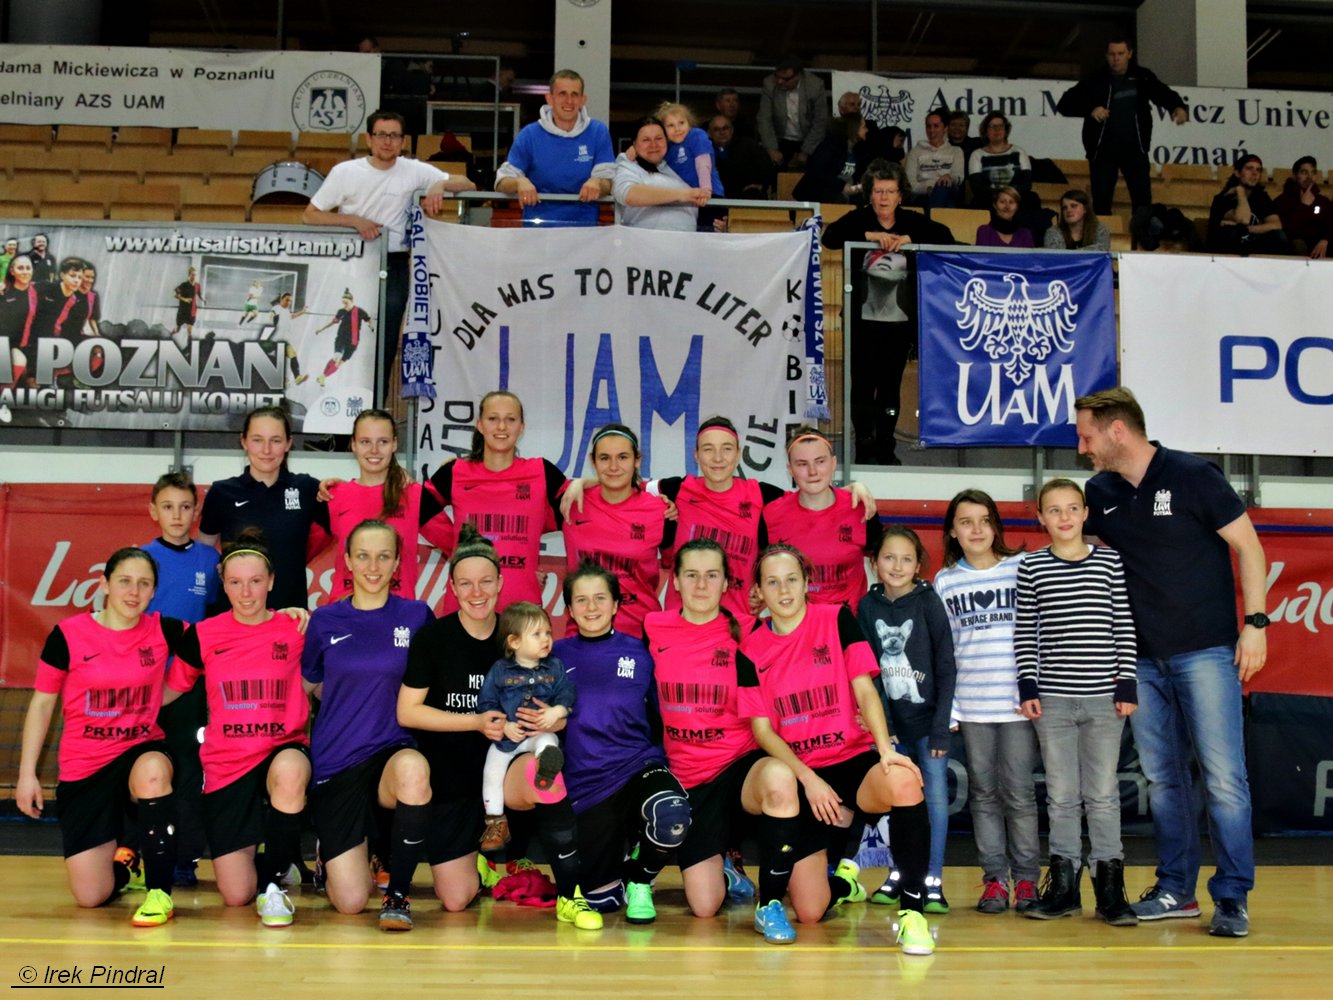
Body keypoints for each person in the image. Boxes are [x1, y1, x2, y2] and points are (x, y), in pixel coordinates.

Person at [1075, 386, 1268, 939]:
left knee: (1225, 778)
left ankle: (1232, 897)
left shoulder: (1192, 475)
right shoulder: (1100, 491)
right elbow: (1083, 555)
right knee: (1163, 780)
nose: (1083, 448)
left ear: (1117, 430)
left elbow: (1250, 548)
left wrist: (1256, 625)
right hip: (1140, 661)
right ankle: (1176, 890)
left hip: (1206, 651)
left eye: (1087, 436)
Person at [399, 524, 599, 928]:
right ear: (452, 588)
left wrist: (554, 715)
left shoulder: (520, 637)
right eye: (466, 583)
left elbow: (557, 696)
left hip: (510, 772)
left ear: (500, 583)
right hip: (453, 786)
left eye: (486, 582)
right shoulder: (433, 639)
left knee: (546, 772)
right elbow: (408, 713)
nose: (477, 592)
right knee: (456, 899)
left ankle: (570, 895)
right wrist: (475, 722)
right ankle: (484, 861)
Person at [739, 544, 935, 955]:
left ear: (806, 582)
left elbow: (865, 690)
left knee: (903, 780)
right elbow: (762, 732)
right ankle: (830, 888)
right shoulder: (750, 648)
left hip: (850, 760)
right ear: (759, 590)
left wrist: (885, 749)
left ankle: (913, 913)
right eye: (772, 582)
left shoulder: (836, 618)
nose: (784, 590)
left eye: (792, 579)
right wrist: (808, 779)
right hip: (799, 771)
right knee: (811, 911)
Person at [646, 539, 828, 930]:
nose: (701, 585)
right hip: (692, 782)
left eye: (712, 575)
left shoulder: (749, 630)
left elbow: (803, 674)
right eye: (691, 575)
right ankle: (727, 866)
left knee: (812, 908)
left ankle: (772, 903)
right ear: (675, 581)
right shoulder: (654, 627)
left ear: (727, 582)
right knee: (704, 906)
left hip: (743, 769)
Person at [14, 547, 183, 927]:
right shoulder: (68, 635)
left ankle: (160, 892)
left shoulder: (163, 630)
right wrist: (27, 775)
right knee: (91, 896)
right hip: (86, 766)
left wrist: (285, 615)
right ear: (105, 584)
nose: (133, 592)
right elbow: (42, 705)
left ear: (154, 591)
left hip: (139, 750)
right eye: (124, 581)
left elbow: (223, 637)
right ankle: (128, 865)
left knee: (153, 773)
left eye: (144, 584)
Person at [163, 533, 311, 925]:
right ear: (223, 584)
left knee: (290, 772)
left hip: (281, 750)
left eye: (256, 581)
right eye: (235, 582)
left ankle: (273, 886)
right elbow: (171, 690)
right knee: (235, 894)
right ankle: (272, 859)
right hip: (227, 763)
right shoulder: (203, 635)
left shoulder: (296, 629)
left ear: (271, 581)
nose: (246, 593)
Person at [301, 519, 434, 930]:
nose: (373, 567)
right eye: (363, 556)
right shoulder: (325, 620)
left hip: (392, 751)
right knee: (351, 902)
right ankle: (334, 853)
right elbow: (310, 684)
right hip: (338, 760)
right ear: (347, 561)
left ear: (397, 563)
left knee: (414, 771)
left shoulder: (417, 616)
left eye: (383, 557)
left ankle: (398, 894)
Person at [1015, 478, 1137, 926]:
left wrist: (1127, 682)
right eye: (1054, 510)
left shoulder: (1109, 561)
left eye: (1072, 508)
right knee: (1062, 796)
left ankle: (1110, 890)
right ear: (1040, 518)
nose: (1064, 517)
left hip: (1104, 699)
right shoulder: (1032, 567)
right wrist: (1028, 686)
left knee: (1102, 795)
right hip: (1054, 700)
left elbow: (1123, 622)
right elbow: (1025, 631)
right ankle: (1064, 888)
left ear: (1085, 514)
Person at [303, 109, 476, 397]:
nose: (387, 141)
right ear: (369, 139)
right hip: (351, 263)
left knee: (384, 338)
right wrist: (354, 221)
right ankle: (334, 408)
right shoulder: (346, 172)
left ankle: (375, 407)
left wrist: (441, 184)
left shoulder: (413, 170)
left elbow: (468, 183)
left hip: (392, 263)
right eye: (382, 135)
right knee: (344, 340)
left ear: (403, 141)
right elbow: (310, 215)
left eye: (394, 136)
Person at [557, 563, 691, 923]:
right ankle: (618, 865)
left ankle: (640, 878)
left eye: (600, 598)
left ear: (616, 604)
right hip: (585, 784)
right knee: (601, 901)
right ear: (569, 609)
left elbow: (664, 715)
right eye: (581, 600)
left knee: (671, 812)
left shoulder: (641, 653)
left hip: (635, 767)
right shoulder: (554, 655)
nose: (591, 607)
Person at [933, 489, 1040, 915]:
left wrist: (1031, 689)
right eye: (966, 522)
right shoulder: (946, 580)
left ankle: (1027, 879)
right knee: (983, 794)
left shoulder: (1021, 567)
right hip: (973, 706)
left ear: (996, 525)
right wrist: (952, 707)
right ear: (952, 532)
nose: (976, 529)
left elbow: (1038, 633)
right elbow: (945, 651)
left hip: (1016, 705)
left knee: (1019, 792)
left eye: (984, 520)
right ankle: (995, 878)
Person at [822, 159, 954, 464]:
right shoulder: (858, 219)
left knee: (889, 389)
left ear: (900, 195)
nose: (883, 198)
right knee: (862, 388)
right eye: (878, 191)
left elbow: (946, 237)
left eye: (890, 191)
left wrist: (911, 240)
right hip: (860, 322)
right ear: (869, 194)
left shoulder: (911, 221)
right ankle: (864, 448)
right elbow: (830, 238)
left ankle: (885, 447)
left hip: (899, 324)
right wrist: (869, 236)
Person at [857, 525, 956, 914]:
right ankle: (899, 873)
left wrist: (941, 727)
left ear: (918, 565)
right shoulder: (867, 607)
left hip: (929, 726)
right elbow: (867, 673)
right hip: (892, 731)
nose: (897, 566)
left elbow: (946, 667)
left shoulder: (929, 602)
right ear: (875, 562)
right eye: (889, 557)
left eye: (906, 559)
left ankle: (932, 880)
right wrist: (884, 728)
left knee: (934, 802)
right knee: (897, 802)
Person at [421, 390, 569, 611]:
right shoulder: (456, 471)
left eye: (510, 419)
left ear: (521, 427)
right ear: (480, 425)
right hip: (466, 607)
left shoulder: (541, 472)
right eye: (493, 419)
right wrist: (460, 547)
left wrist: (585, 483)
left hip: (521, 610)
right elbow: (419, 507)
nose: (501, 427)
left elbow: (577, 513)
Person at [143, 471, 219, 886]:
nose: (177, 515)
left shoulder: (210, 560)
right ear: (153, 511)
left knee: (190, 769)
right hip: (147, 684)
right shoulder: (140, 559)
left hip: (191, 687)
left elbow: (217, 619)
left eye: (185, 507)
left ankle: (185, 859)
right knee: (144, 767)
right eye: (168, 506)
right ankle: (136, 854)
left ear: (195, 512)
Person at [199, 405, 330, 611]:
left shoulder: (307, 489)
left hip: (289, 616)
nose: (266, 450)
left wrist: (343, 489)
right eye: (257, 440)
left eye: (275, 440)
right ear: (244, 441)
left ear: (288, 443)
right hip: (234, 615)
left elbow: (351, 529)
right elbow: (202, 554)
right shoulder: (222, 492)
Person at [322, 408, 454, 601]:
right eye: (365, 442)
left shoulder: (414, 496)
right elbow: (297, 550)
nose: (374, 450)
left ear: (394, 444)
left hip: (398, 614)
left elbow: (458, 547)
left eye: (383, 442)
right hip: (344, 612)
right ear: (353, 445)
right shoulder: (332, 496)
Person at [477, 602, 575, 851]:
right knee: (492, 769)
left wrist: (556, 712)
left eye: (548, 633)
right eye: (537, 634)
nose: (546, 639)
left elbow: (567, 693)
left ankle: (546, 769)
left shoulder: (555, 666)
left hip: (538, 733)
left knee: (548, 742)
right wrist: (504, 725)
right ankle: (496, 821)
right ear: (514, 641)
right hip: (508, 738)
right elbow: (486, 702)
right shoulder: (500, 670)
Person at [562, 424, 673, 637]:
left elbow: (680, 567)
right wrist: (580, 483)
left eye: (623, 457)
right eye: (604, 458)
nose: (614, 466)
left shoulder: (662, 511)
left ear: (637, 460)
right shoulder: (570, 501)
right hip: (581, 635)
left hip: (640, 635)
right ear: (593, 461)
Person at [1056, 37, 1187, 216]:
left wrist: (1177, 106)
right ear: (1106, 56)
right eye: (1112, 54)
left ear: (1130, 54)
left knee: (1142, 202)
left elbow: (1162, 92)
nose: (1116, 58)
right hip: (1103, 151)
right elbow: (1064, 104)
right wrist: (1091, 110)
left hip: (1135, 150)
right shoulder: (1095, 79)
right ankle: (1102, 235)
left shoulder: (1142, 76)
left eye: (1120, 54)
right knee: (1101, 204)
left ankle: (1140, 233)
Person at [760, 427, 881, 612]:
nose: (812, 471)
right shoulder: (771, 515)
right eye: (802, 464)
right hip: (794, 624)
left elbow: (888, 564)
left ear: (833, 463)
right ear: (790, 469)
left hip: (848, 624)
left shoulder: (860, 508)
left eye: (820, 461)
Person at [495, 69, 616, 228]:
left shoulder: (598, 132)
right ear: (549, 98)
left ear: (583, 100)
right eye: (562, 94)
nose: (569, 101)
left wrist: (598, 182)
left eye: (574, 94)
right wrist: (519, 182)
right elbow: (501, 182)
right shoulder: (529, 134)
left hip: (585, 231)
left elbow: (608, 182)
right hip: (538, 231)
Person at [614, 117, 710, 231]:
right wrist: (682, 195)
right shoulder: (628, 163)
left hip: (686, 240)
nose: (653, 144)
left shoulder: (675, 167)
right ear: (634, 144)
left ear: (666, 141)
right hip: (644, 240)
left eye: (659, 138)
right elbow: (628, 194)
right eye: (646, 140)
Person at [1207, 154, 1290, 256]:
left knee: (1278, 235)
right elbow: (1244, 219)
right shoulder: (1223, 198)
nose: (1255, 173)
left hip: (1252, 249)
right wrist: (1240, 191)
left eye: (1258, 170)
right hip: (1225, 252)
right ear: (1237, 173)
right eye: (1249, 169)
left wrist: (1249, 229)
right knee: (1234, 233)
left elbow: (1276, 225)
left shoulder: (1261, 197)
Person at [757, 55, 829, 170]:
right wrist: (772, 149)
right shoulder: (769, 83)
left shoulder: (815, 85)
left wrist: (806, 152)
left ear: (798, 75)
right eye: (777, 76)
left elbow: (820, 122)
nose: (780, 81)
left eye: (786, 79)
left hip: (809, 138)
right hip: (780, 139)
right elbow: (764, 119)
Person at [792, 113, 870, 204]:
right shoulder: (832, 145)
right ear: (854, 128)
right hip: (820, 194)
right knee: (837, 199)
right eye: (864, 127)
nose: (867, 130)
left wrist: (858, 187)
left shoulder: (858, 150)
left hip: (844, 193)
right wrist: (842, 186)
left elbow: (856, 177)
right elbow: (817, 171)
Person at [304, 289, 374, 389]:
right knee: (337, 358)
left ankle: (323, 376)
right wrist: (321, 329)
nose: (344, 305)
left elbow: (368, 319)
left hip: (353, 342)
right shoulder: (341, 311)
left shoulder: (359, 311)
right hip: (341, 338)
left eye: (346, 302)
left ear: (351, 301)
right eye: (343, 303)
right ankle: (323, 377)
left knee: (339, 363)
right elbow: (333, 322)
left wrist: (371, 327)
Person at [966, 113, 1032, 208]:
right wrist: (1000, 196)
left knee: (1032, 199)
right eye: (992, 126)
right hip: (989, 200)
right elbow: (977, 188)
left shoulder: (1019, 152)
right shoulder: (977, 155)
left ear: (1006, 130)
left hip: (1016, 198)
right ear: (986, 131)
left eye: (1000, 126)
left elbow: (1027, 184)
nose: (997, 130)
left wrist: (1009, 195)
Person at [1273, 156, 1333, 259]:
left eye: (1312, 172)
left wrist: (1325, 240)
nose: (1309, 176)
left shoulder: (1323, 201)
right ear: (1295, 175)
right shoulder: (1282, 201)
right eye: (1304, 172)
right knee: (1298, 244)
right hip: (1296, 245)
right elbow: (1288, 230)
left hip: (1320, 244)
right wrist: (1303, 206)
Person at [903, 109, 964, 208]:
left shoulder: (956, 151)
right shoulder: (915, 152)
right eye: (928, 126)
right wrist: (929, 187)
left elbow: (959, 177)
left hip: (949, 191)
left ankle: (931, 217)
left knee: (943, 186)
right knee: (949, 204)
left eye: (936, 126)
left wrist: (948, 177)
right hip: (923, 195)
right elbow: (910, 184)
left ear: (945, 128)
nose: (931, 130)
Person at [2, 254, 39, 385]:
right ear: (12, 271)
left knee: (19, 362)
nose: (25, 272)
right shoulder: (4, 291)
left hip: (18, 345)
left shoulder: (36, 291)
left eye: (28, 268)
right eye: (20, 268)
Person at [1044, 189, 1112, 251]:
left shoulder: (1100, 229)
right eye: (1064, 208)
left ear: (1085, 209)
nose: (1068, 210)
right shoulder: (1053, 232)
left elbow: (1101, 250)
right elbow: (1057, 257)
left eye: (1073, 206)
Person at [169, 266, 205, 345]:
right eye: (192, 275)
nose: (194, 276)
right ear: (189, 275)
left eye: (195, 275)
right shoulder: (184, 285)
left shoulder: (197, 285)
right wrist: (185, 299)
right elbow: (176, 295)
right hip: (183, 310)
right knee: (177, 330)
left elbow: (199, 294)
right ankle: (170, 334)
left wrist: (203, 300)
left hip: (192, 310)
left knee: (190, 331)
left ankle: (189, 344)